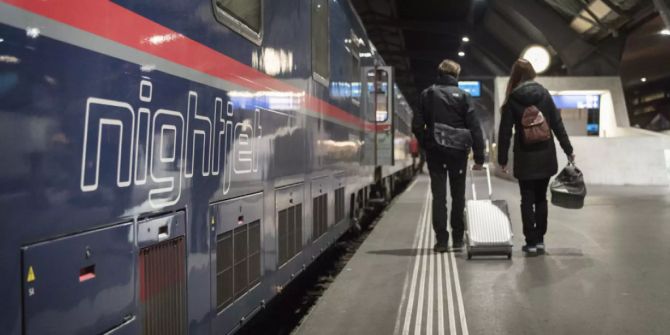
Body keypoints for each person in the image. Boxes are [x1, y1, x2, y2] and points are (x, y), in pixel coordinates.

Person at [497, 59, 575, 256]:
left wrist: (502, 159)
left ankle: (530, 242)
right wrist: (568, 149)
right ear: (532, 73)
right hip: (546, 155)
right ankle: (540, 240)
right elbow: (557, 124)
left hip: (525, 157)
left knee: (527, 199)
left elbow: (504, 132)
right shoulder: (544, 95)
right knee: (541, 198)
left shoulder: (512, 99)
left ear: (515, 76)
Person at [412, 59, 485, 253]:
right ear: (456, 75)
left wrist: (427, 143)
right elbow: (475, 128)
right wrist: (479, 157)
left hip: (435, 152)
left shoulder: (427, 94)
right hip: (458, 152)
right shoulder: (464, 96)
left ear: (439, 73)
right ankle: (458, 239)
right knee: (458, 195)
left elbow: (416, 126)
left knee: (439, 197)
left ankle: (441, 242)